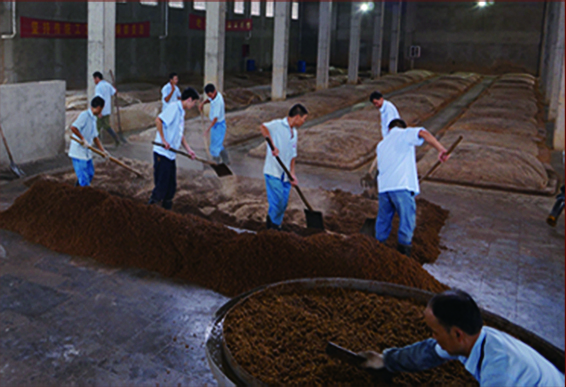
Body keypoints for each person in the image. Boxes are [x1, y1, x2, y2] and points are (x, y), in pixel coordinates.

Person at [359, 289, 565, 387]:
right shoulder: (478, 339)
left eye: (435, 332)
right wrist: (386, 360)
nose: (433, 337)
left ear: (457, 334)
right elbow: (429, 352)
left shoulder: (500, 374)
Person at [375, 119, 448, 257]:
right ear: (401, 127)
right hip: (400, 186)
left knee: (383, 221)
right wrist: (441, 149)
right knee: (407, 219)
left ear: (389, 129)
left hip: (384, 188)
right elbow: (423, 133)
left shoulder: (381, 144)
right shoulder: (404, 133)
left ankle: (378, 251)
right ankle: (404, 255)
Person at [148, 87, 199, 210]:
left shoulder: (182, 112)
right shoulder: (174, 108)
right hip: (162, 153)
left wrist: (189, 150)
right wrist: (164, 140)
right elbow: (158, 120)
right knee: (161, 185)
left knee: (171, 187)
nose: (194, 105)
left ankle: (167, 212)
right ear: (189, 99)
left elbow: (180, 135)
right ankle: (150, 210)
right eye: (194, 103)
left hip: (171, 155)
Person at [260, 104, 308, 230]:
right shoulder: (278, 125)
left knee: (283, 203)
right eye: (304, 119)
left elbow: (293, 154)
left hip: (285, 174)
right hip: (273, 172)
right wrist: (272, 145)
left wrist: (292, 173)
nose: (304, 122)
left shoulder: (295, 133)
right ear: (297, 117)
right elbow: (263, 127)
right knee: (278, 200)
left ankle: (273, 224)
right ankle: (274, 227)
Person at [68, 96, 108, 187]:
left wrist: (103, 151)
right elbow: (73, 128)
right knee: (84, 179)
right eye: (102, 109)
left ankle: (77, 189)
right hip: (78, 152)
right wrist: (82, 139)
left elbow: (95, 137)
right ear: (98, 107)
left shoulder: (94, 119)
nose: (101, 111)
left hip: (87, 152)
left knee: (90, 173)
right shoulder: (84, 116)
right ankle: (83, 194)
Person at [199, 83, 230, 165]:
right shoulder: (215, 95)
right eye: (208, 95)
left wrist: (207, 129)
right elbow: (210, 99)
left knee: (216, 146)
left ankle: (216, 161)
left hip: (219, 125)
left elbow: (215, 119)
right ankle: (225, 160)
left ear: (214, 91)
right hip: (215, 125)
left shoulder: (218, 102)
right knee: (215, 144)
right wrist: (203, 103)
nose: (210, 97)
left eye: (211, 95)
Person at [93, 71, 121, 146]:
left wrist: (98, 111)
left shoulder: (98, 87)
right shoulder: (108, 85)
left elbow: (98, 99)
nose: (94, 81)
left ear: (97, 78)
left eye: (94, 79)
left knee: (97, 126)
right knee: (106, 126)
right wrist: (114, 89)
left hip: (101, 109)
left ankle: (97, 143)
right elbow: (114, 92)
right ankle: (116, 138)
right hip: (107, 110)